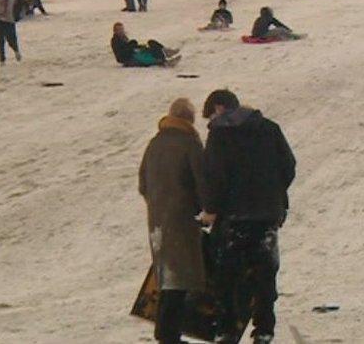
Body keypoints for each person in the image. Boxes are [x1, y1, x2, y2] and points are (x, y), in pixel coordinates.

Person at [201, 89, 296, 344]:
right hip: (267, 214)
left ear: (219, 108)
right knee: (265, 273)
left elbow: (214, 176)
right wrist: (274, 193)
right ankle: (264, 329)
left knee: (227, 275)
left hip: (233, 217)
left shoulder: (219, 135)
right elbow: (288, 165)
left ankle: (227, 329)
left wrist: (211, 208)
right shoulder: (269, 128)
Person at [139, 98, 210, 343]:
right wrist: (206, 210)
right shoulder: (190, 144)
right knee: (181, 279)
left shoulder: (154, 144)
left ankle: (166, 331)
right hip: (182, 220)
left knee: (166, 277)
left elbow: (142, 184)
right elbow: (202, 183)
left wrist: (156, 204)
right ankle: (168, 334)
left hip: (157, 219)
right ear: (189, 119)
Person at [110, 22, 180, 67]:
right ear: (115, 31)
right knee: (148, 54)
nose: (122, 31)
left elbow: (129, 47)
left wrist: (137, 46)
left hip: (132, 54)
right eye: (119, 30)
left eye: (122, 29)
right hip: (128, 59)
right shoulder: (115, 40)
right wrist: (133, 46)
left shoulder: (123, 38)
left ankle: (166, 51)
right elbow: (121, 54)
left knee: (151, 43)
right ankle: (164, 60)